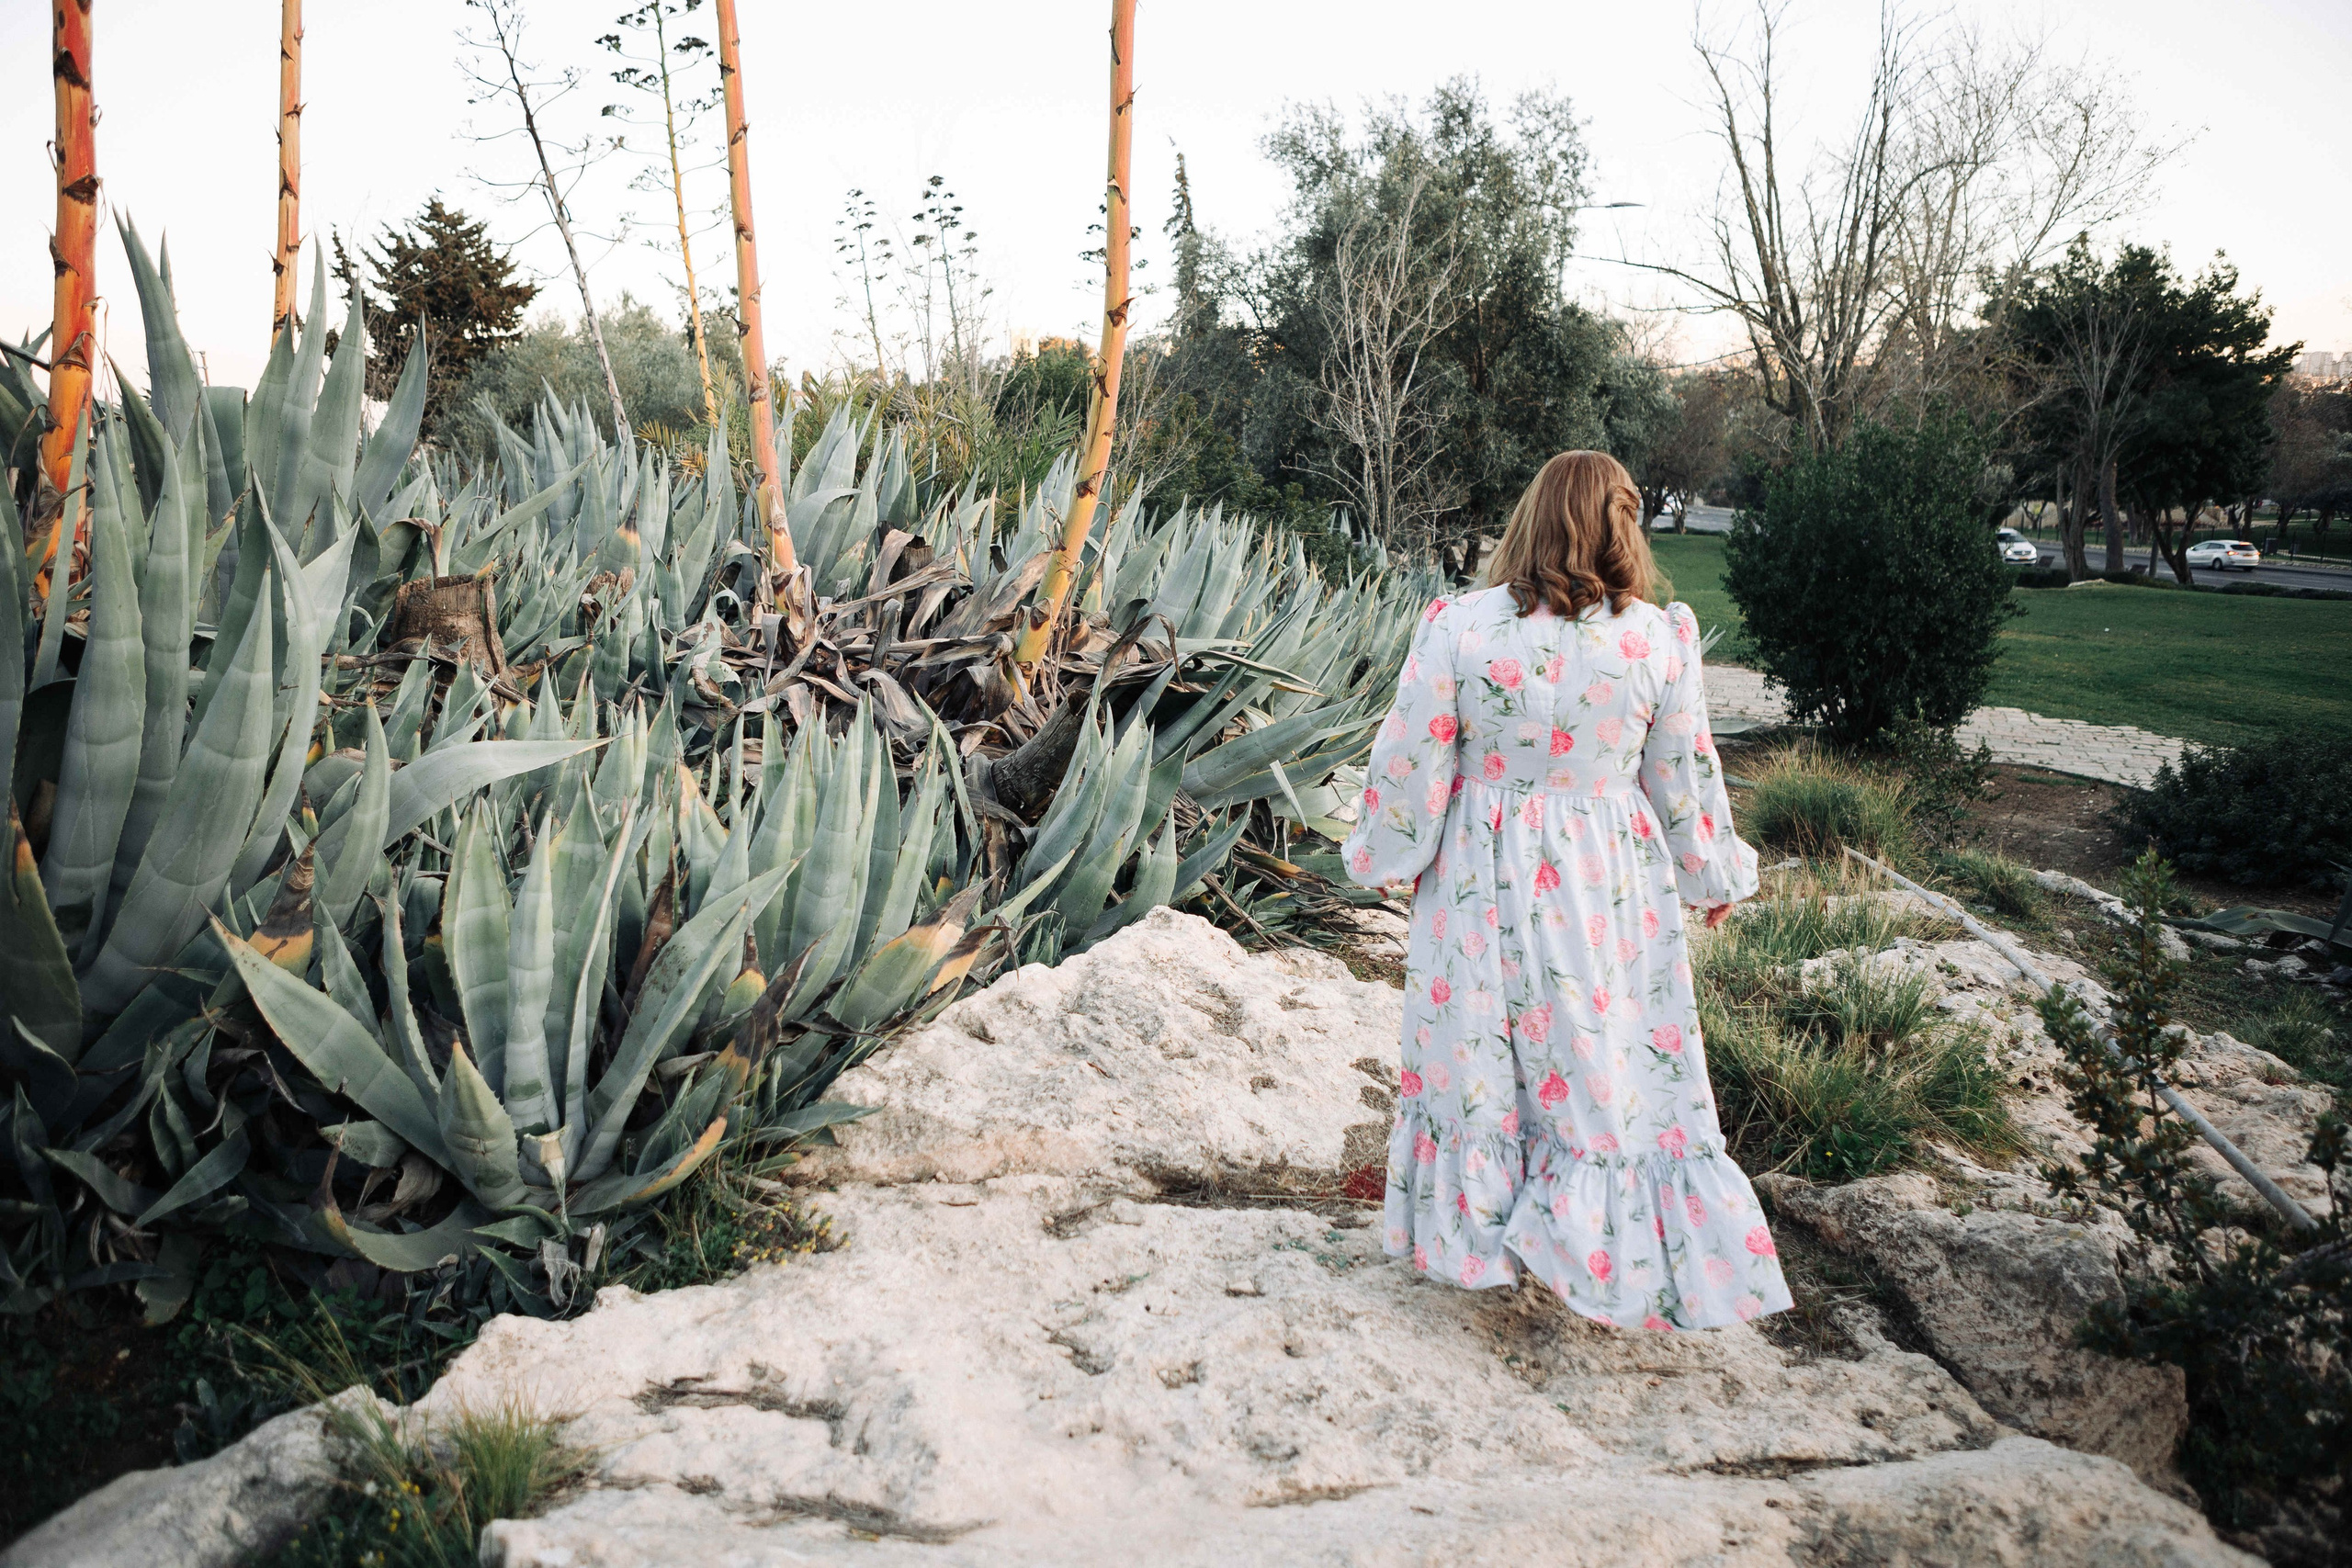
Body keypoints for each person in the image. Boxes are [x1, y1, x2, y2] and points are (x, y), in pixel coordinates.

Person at [1340, 449, 1792, 1330]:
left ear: (1532, 516)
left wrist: (1389, 857)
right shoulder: (1657, 639)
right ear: (1623, 524)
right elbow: (1684, 776)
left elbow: (1413, 756)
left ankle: (1484, 1239)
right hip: (1605, 880)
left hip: (1477, 872)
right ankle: (1598, 1252)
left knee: (1480, 1056)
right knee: (1598, 1056)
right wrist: (1711, 872)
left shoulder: (1460, 626)